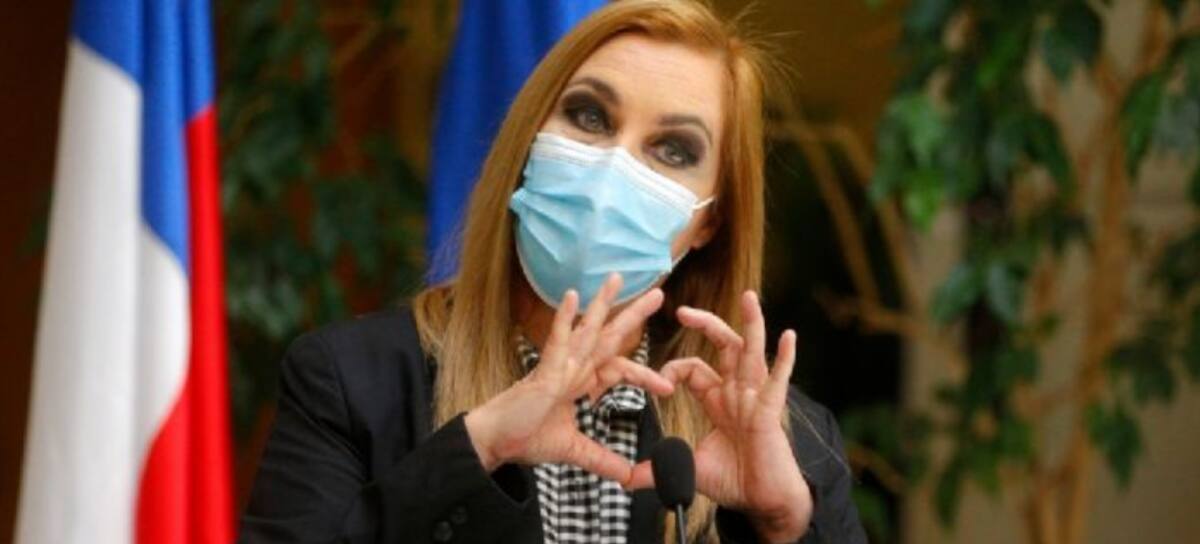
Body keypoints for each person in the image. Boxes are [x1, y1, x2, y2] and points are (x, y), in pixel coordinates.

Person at [239, 1, 867, 542]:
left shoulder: (789, 444)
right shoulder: (349, 382)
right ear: (529, 142)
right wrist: (478, 449)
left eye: (673, 150)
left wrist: (785, 523)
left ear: (709, 222)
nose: (612, 169)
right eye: (590, 117)